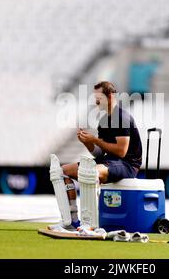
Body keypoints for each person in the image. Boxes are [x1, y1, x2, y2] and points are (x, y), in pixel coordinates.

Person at [49, 81, 142, 231]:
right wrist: (87, 142)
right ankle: (71, 221)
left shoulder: (121, 117)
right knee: (61, 172)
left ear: (110, 96)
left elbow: (121, 152)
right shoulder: (104, 120)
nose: (96, 101)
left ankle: (92, 225)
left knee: (90, 173)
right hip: (109, 162)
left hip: (127, 165)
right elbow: (100, 153)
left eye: (98, 97)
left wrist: (95, 140)